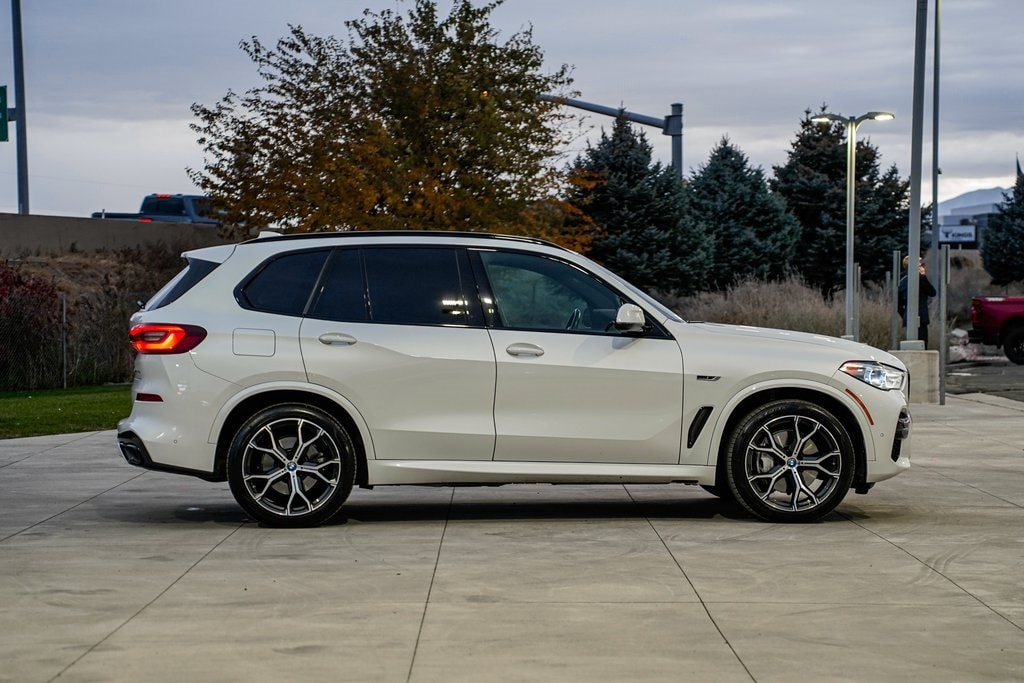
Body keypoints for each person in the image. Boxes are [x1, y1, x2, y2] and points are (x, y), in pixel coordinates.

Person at [898, 255, 937, 348]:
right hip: (922, 317)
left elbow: (899, 307)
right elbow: (932, 292)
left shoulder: (902, 282)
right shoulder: (921, 280)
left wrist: (906, 316)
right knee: (922, 344)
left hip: (908, 319)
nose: (922, 267)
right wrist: (923, 276)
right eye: (920, 265)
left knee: (910, 344)